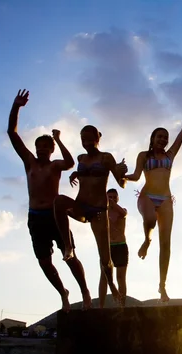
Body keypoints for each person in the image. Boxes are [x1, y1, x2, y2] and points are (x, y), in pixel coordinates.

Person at [7, 89, 91, 311]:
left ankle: (85, 292)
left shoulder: (55, 166)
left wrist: (58, 140)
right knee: (45, 262)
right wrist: (16, 107)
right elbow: (12, 134)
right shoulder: (29, 162)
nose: (42, 149)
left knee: (70, 257)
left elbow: (70, 163)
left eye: (47, 146)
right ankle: (63, 293)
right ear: (35, 149)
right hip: (35, 218)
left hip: (55, 217)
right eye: (39, 146)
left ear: (52, 150)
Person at [124, 105, 182, 302]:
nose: (163, 140)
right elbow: (135, 176)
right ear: (152, 139)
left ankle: (162, 285)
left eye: (165, 137)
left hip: (166, 199)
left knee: (166, 245)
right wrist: (121, 175)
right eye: (159, 136)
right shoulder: (144, 155)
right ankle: (147, 240)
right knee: (150, 219)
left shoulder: (170, 155)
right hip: (147, 196)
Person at [53, 125, 127, 305]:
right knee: (59, 202)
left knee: (105, 259)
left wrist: (121, 172)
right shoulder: (81, 158)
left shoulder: (106, 157)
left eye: (89, 139)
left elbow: (121, 183)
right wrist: (76, 172)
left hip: (99, 211)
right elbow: (84, 172)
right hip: (81, 207)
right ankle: (68, 247)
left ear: (97, 139)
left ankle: (111, 284)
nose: (86, 142)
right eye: (83, 139)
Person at [97, 188, 129, 308]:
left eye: (114, 197)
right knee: (104, 277)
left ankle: (122, 306)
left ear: (117, 198)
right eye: (109, 197)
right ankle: (101, 306)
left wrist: (112, 204)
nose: (112, 199)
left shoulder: (122, 211)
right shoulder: (102, 212)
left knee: (121, 277)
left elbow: (123, 214)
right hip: (108, 247)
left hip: (120, 246)